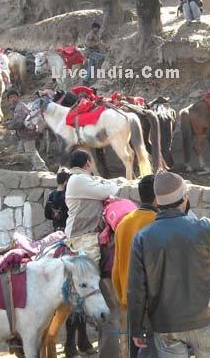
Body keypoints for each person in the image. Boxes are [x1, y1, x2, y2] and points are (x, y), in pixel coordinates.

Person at [128, 172, 210, 358]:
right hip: (202, 322)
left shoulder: (142, 238)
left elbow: (136, 290)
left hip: (165, 328)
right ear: (185, 198)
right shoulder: (201, 228)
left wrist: (137, 329)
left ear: (158, 202)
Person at [65, 149, 120, 358]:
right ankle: (92, 310)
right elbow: (108, 190)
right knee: (93, 276)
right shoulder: (79, 180)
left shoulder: (81, 179)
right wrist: (113, 185)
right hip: (83, 237)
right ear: (88, 163)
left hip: (87, 234)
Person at [113, 175, 158, 358]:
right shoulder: (158, 223)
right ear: (158, 196)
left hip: (131, 303)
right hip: (154, 307)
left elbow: (116, 270)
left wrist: (124, 297)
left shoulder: (123, 223)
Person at [4, 90, 48, 171]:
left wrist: (8, 125)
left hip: (27, 133)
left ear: (18, 97)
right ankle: (36, 165)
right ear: (8, 100)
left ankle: (41, 168)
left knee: (30, 151)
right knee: (22, 151)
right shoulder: (18, 107)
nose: (12, 99)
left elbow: (19, 122)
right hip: (24, 133)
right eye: (10, 97)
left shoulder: (19, 107)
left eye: (14, 96)